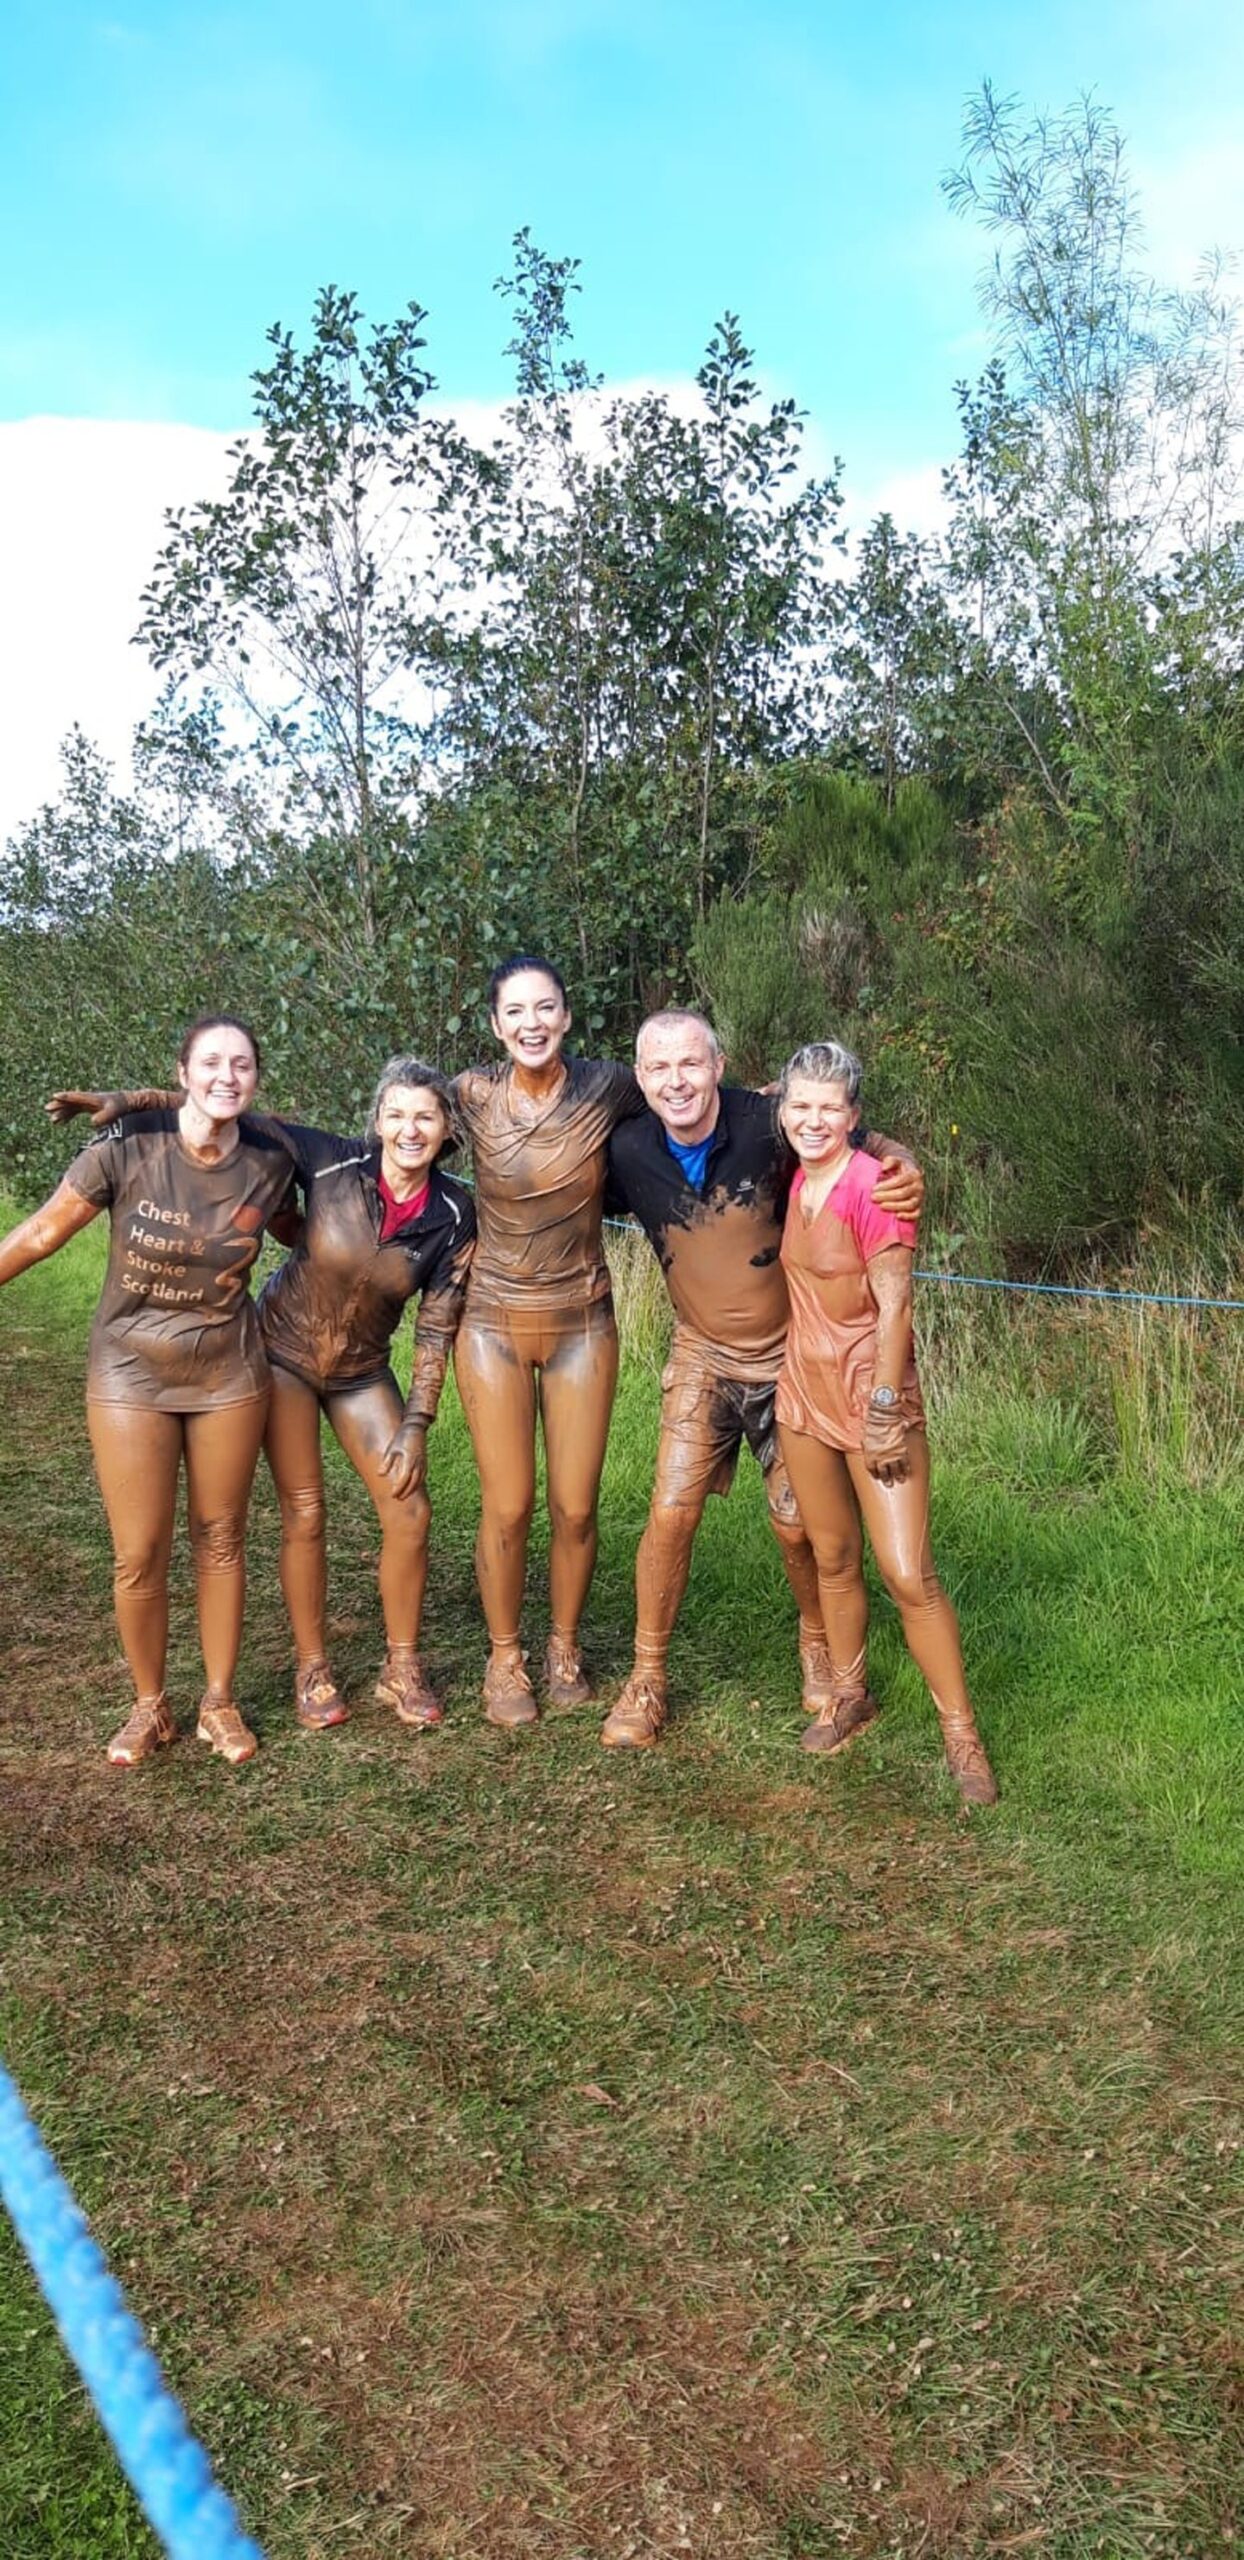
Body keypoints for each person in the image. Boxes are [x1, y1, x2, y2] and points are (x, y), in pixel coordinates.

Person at [50, 1063, 476, 1735]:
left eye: (426, 1116)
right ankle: (313, 1668)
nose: (409, 1129)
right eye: (396, 1114)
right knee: (304, 1511)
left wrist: (418, 1419)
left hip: (363, 1371)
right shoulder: (333, 1162)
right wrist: (127, 1100)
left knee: (409, 1510)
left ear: (448, 1129)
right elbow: (228, 1110)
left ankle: (402, 1665)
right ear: (376, 1120)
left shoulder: (455, 1211)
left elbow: (438, 1323)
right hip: (279, 1354)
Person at [600, 1009, 925, 1748]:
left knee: (797, 1522)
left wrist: (906, 1165)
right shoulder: (625, 1150)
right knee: (670, 1511)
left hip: (791, 1358)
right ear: (639, 1077)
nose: (676, 1081)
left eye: (691, 1063)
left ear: (719, 1066)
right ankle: (647, 1676)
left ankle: (819, 1642)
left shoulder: (770, 1123)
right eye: (658, 1068)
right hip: (702, 1356)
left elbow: (861, 1141)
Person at [8, 1017, 296, 1768]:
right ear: (183, 1070)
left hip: (230, 1373)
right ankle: (149, 1706)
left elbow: (317, 1222)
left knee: (222, 1537)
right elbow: (41, 1235)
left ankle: (219, 1702)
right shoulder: (126, 1146)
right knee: (139, 1551)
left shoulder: (273, 1156)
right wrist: (136, 1103)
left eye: (241, 1064)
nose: (226, 1075)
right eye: (210, 1063)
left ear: (257, 1077)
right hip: (129, 1373)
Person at [774, 1039, 997, 1802]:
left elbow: (897, 1305)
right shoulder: (787, 1178)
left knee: (908, 1571)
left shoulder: (877, 1188)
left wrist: (883, 1409)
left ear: (854, 1116)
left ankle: (962, 1735)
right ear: (782, 1109)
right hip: (800, 1395)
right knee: (832, 1555)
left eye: (829, 1108)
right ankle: (849, 1692)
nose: (812, 1120)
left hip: (871, 1395)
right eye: (799, 1105)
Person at [449, 957, 645, 1728]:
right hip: (492, 1323)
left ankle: (562, 1646)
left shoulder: (608, 1086)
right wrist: (160, 1102)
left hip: (581, 1323)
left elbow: (721, 1101)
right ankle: (505, 1658)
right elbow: (386, 1128)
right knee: (509, 1503)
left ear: (567, 1018)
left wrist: (875, 1141)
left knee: (574, 1505)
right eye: (516, 1012)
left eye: (547, 1009)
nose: (532, 1024)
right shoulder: (469, 1095)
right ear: (496, 1026)